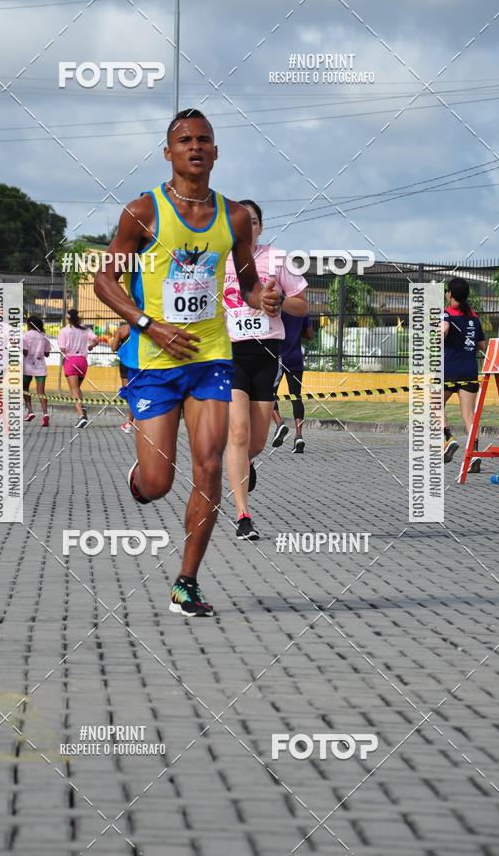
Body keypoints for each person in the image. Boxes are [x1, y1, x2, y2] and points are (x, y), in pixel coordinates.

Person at [94, 108, 280, 617]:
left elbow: (245, 283)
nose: (194, 147)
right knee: (159, 483)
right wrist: (148, 324)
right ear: (169, 152)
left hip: (211, 357)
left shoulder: (234, 217)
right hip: (153, 360)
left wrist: (263, 296)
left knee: (210, 465)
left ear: (216, 151)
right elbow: (104, 281)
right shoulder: (142, 212)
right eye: (184, 140)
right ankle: (142, 479)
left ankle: (186, 582)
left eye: (204, 139)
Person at [223, 200, 308, 540]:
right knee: (238, 434)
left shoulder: (276, 258)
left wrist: (279, 301)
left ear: (260, 226)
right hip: (230, 353)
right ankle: (243, 515)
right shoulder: (218, 260)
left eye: (253, 221)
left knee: (255, 442)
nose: (246, 227)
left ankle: (244, 463)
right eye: (239, 222)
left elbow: (302, 306)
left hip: (267, 352)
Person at [443, 277, 486, 472]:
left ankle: (448, 439)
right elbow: (482, 345)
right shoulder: (474, 317)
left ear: (450, 294)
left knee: (435, 405)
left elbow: (443, 330)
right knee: (469, 415)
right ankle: (474, 454)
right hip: (469, 370)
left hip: (449, 370)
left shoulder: (446, 313)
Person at [272, 311, 313, 452]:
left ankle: (280, 424)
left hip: (278, 356)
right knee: (296, 396)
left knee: (268, 393)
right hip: (296, 357)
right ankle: (299, 435)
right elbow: (309, 335)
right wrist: (295, 333)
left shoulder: (277, 308)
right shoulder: (301, 309)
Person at [57, 308, 99, 429]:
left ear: (68, 318)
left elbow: (63, 349)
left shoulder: (64, 331)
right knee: (77, 387)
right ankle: (82, 407)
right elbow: (96, 339)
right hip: (82, 361)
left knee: (74, 390)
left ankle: (81, 416)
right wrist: (91, 346)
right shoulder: (86, 330)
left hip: (71, 360)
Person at [22, 315, 52, 427]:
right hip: (40, 366)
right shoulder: (43, 336)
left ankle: (30, 411)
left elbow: (25, 352)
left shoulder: (25, 335)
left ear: (29, 324)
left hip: (27, 366)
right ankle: (45, 414)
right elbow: (47, 353)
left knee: (25, 388)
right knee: (41, 391)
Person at [111, 322, 134, 432]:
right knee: (141, 390)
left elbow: (114, 347)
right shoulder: (144, 327)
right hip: (140, 362)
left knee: (129, 393)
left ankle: (129, 423)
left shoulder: (122, 329)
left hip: (126, 363)